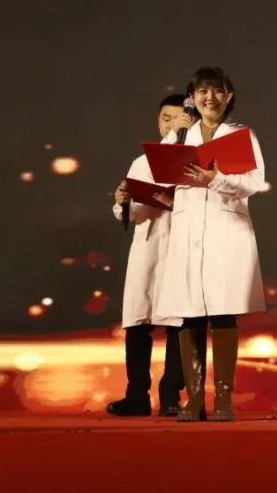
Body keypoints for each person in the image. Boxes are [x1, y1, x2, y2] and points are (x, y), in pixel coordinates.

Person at [155, 67, 267, 422]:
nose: (210, 97)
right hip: (188, 232)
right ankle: (193, 398)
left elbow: (254, 182)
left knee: (222, 312)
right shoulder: (179, 137)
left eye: (218, 90)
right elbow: (160, 176)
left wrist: (216, 179)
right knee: (188, 313)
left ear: (229, 96)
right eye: (203, 91)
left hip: (226, 230)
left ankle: (223, 398)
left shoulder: (241, 135)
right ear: (193, 97)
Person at [105, 94, 189, 417]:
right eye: (166, 119)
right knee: (138, 323)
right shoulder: (141, 162)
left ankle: (171, 395)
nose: (171, 126)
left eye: (179, 119)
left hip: (179, 247)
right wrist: (122, 200)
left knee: (178, 324)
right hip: (147, 246)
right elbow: (131, 211)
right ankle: (137, 395)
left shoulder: (194, 160)